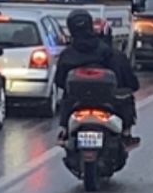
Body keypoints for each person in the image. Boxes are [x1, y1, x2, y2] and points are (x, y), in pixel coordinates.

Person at [54, 9, 140, 147]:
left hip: (79, 103)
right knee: (125, 98)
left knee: (66, 97)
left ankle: (64, 130)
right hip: (105, 102)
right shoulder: (110, 53)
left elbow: (59, 81)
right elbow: (130, 83)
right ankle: (126, 134)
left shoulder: (67, 55)